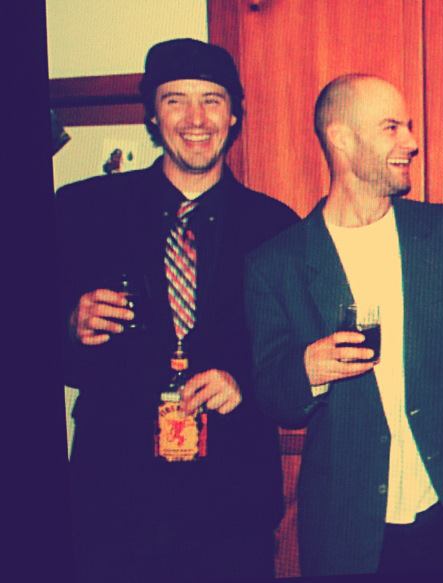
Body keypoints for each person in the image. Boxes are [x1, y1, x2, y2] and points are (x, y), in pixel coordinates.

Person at [56, 39, 298, 582]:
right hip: (111, 502)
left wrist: (246, 383)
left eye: (211, 100)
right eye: (175, 100)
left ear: (234, 115)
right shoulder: (82, 210)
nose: (196, 119)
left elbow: (296, 360)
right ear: (152, 114)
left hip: (231, 508)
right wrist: (66, 326)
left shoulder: (278, 227)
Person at [244, 74, 443, 576]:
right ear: (341, 137)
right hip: (345, 527)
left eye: (408, 127)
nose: (411, 142)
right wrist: (307, 370)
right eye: (391, 127)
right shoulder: (276, 263)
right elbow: (273, 394)